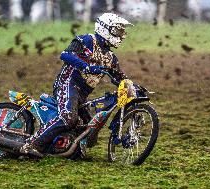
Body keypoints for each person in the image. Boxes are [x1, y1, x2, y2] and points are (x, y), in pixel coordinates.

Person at [23, 13, 133, 155]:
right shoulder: (87, 40)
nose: (121, 35)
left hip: (82, 94)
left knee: (89, 130)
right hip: (67, 83)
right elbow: (65, 55)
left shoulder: (111, 58)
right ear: (105, 29)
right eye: (118, 31)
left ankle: (60, 147)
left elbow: (119, 78)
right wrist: (86, 67)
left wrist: (132, 86)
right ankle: (32, 144)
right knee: (68, 118)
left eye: (122, 32)